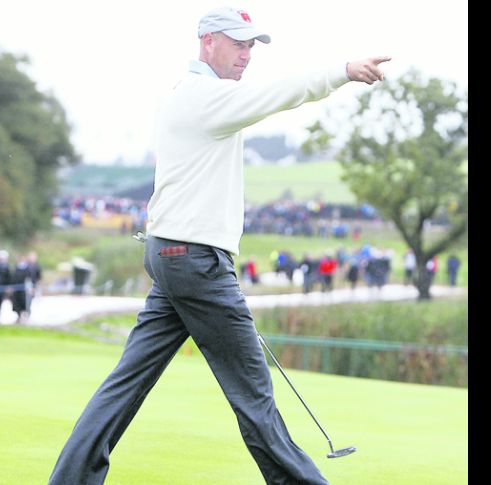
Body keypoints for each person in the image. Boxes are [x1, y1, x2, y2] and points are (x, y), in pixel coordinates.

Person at [47, 7, 390, 485]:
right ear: (208, 41)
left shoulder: (189, 96)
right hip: (195, 260)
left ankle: (70, 479)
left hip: (173, 255)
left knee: (126, 383)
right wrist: (342, 71)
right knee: (253, 393)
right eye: (238, 43)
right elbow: (280, 95)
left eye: (252, 46)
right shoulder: (206, 97)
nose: (246, 54)